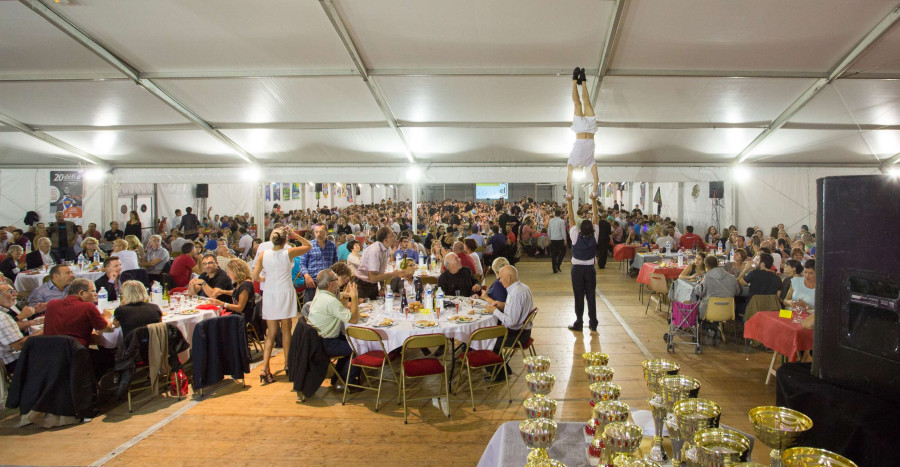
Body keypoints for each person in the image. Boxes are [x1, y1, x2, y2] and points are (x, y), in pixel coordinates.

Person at [252, 227, 312, 384]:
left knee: (270, 333)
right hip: (285, 291)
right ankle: (288, 364)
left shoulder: (264, 254)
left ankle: (265, 368)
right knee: (286, 330)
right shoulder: (288, 252)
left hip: (271, 293)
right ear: (285, 240)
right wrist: (295, 234)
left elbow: (255, 276)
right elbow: (308, 246)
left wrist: (266, 279)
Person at [43, 278, 115, 376]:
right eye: (93, 291)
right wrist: (106, 317)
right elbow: (107, 329)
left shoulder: (52, 304)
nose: (96, 294)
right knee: (109, 357)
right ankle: (93, 386)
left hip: (49, 355)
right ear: (81, 293)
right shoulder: (88, 307)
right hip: (76, 355)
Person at [307, 269, 361, 391]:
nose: (338, 282)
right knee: (358, 346)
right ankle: (346, 382)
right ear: (330, 284)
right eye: (336, 280)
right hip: (325, 343)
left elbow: (339, 311)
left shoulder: (320, 295)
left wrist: (346, 297)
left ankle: (338, 378)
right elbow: (353, 319)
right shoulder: (330, 301)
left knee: (351, 341)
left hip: (317, 340)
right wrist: (355, 298)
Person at [486, 265, 533, 381]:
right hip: (523, 331)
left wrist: (495, 311)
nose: (500, 281)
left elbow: (511, 322)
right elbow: (516, 309)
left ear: (509, 277)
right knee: (491, 334)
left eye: (501, 278)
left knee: (486, 340)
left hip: (517, 335)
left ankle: (499, 373)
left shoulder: (515, 294)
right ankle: (503, 369)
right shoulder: (523, 288)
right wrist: (502, 304)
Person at [565, 67, 599, 201]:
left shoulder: (571, 161)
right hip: (590, 130)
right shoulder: (590, 162)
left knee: (577, 104)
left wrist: (569, 194)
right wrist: (594, 192)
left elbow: (568, 179)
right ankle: (583, 81)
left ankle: (574, 81)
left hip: (579, 130)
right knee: (587, 103)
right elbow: (596, 178)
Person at [567, 195, 599, 332]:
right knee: (591, 296)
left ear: (580, 228)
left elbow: (571, 218)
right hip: (590, 270)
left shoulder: (575, 236)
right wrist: (593, 201)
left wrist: (569, 202)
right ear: (592, 228)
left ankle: (579, 322)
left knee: (578, 296)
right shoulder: (595, 236)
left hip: (577, 270)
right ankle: (593, 323)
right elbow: (596, 217)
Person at [354, 227, 412, 300]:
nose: (395, 237)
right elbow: (372, 277)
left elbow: (380, 270)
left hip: (373, 284)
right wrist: (393, 274)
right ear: (385, 240)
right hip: (362, 285)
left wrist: (383, 286)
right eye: (392, 235)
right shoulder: (375, 251)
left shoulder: (387, 249)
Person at [0, 282, 43, 375]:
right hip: (12, 363)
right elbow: (19, 345)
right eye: (10, 292)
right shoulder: (2, 317)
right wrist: (45, 330)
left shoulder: (6, 311)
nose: (15, 294)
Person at [297, 223, 338, 303]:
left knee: (327, 305)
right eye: (316, 232)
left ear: (326, 232)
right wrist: (306, 276)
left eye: (321, 232)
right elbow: (302, 263)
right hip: (312, 281)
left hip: (328, 282)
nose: (318, 234)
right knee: (309, 306)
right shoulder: (309, 246)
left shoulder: (332, 245)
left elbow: (335, 263)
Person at [692, 256, 741, 320]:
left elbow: (699, 292)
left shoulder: (706, 279)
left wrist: (699, 284)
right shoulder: (732, 278)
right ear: (718, 264)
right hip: (728, 312)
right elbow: (738, 292)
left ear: (706, 266)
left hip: (709, 312)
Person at [737, 253, 782, 318]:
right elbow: (777, 298)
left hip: (752, 309)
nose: (755, 262)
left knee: (735, 305)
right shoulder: (778, 279)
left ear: (762, 264)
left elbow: (739, 282)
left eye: (757, 260)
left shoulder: (754, 273)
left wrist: (746, 269)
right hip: (771, 311)